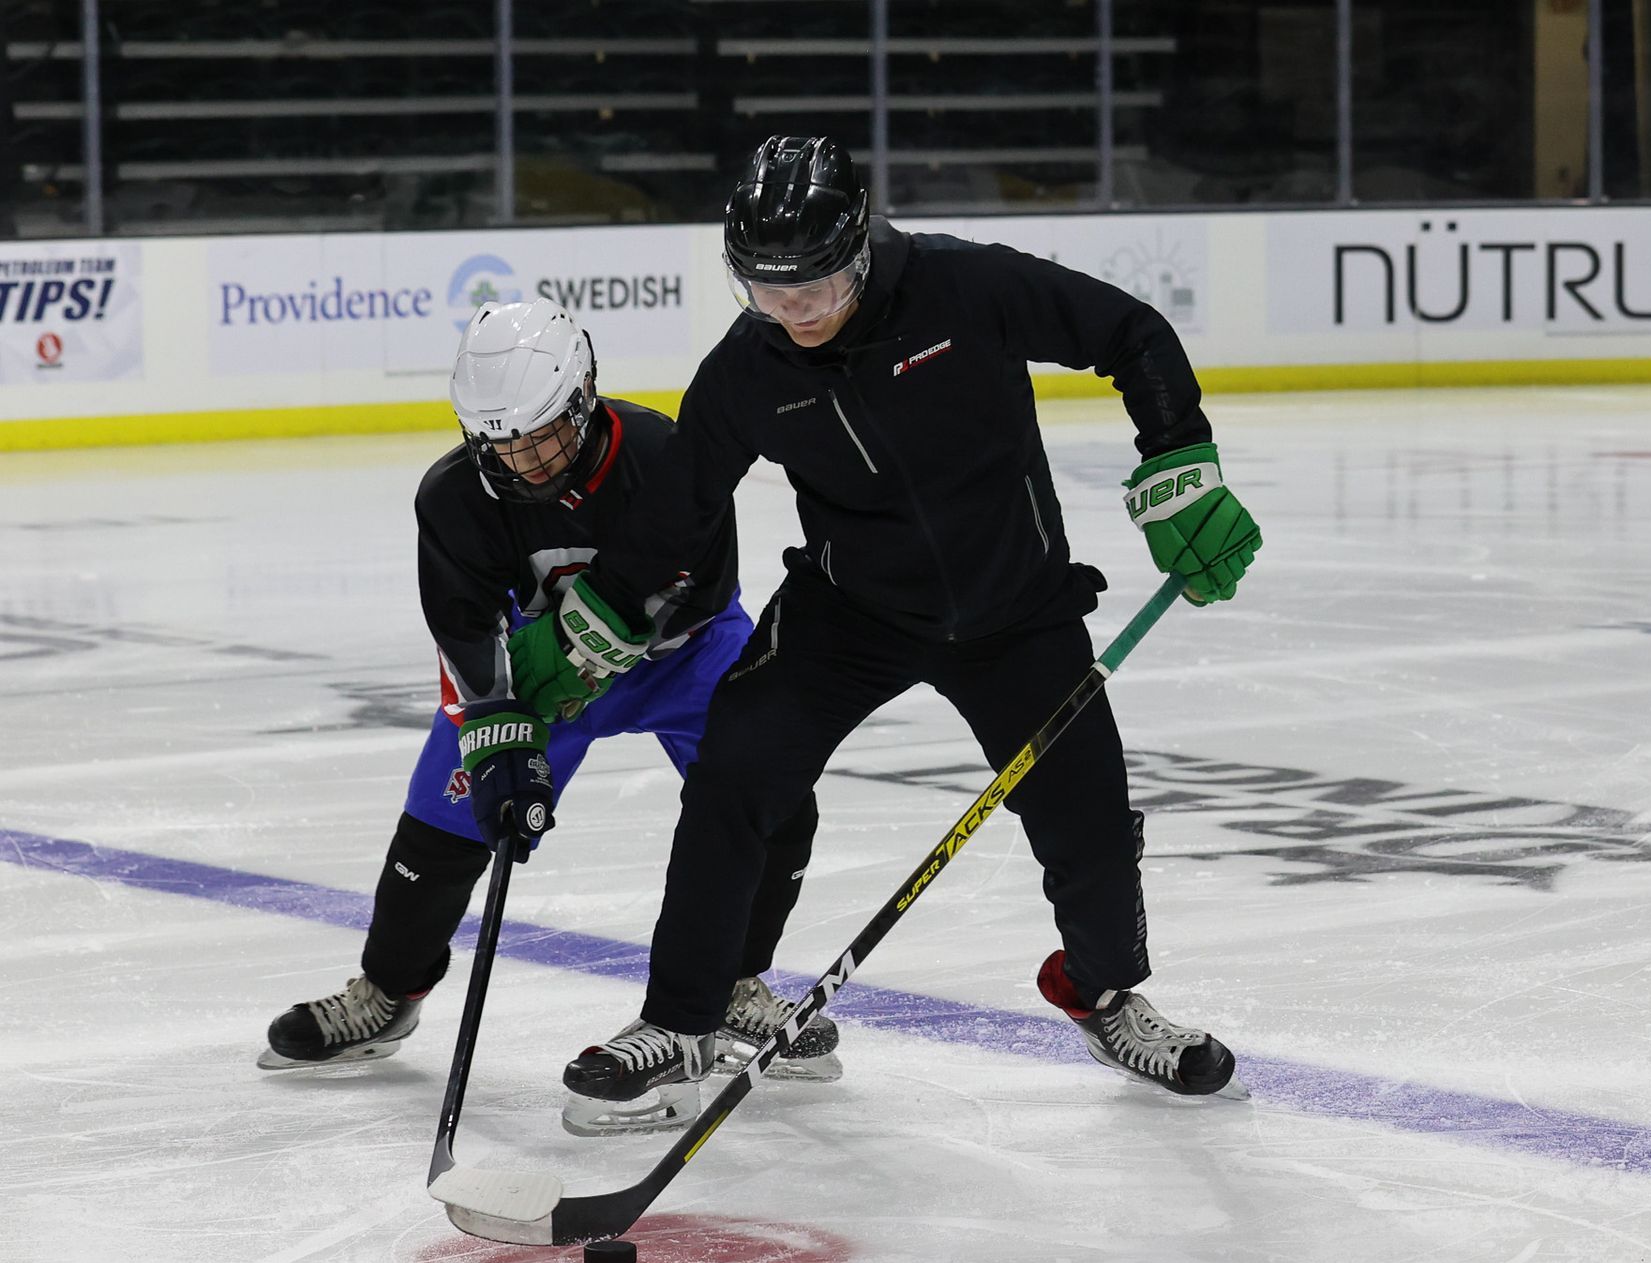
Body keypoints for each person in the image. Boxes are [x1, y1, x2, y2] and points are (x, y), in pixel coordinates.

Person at [507, 136, 1261, 1118]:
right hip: (850, 609)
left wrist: (1179, 462)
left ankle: (1105, 991)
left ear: (858, 247)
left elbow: (1133, 333)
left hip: (1014, 606)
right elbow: (676, 515)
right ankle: (683, 1017)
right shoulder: (746, 369)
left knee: (1086, 816)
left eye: (815, 284)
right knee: (736, 769)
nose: (796, 312)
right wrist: (588, 622)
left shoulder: (966, 287)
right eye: (769, 292)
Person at [258, 298, 839, 1133]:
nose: (524, 461)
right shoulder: (453, 497)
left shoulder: (662, 452)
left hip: (685, 658)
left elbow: (706, 588)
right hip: (536, 678)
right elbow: (464, 631)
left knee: (775, 799)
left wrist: (596, 653)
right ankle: (387, 993)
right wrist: (499, 740)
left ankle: (732, 984)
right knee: (443, 827)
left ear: (585, 397)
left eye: (540, 435)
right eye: (501, 441)